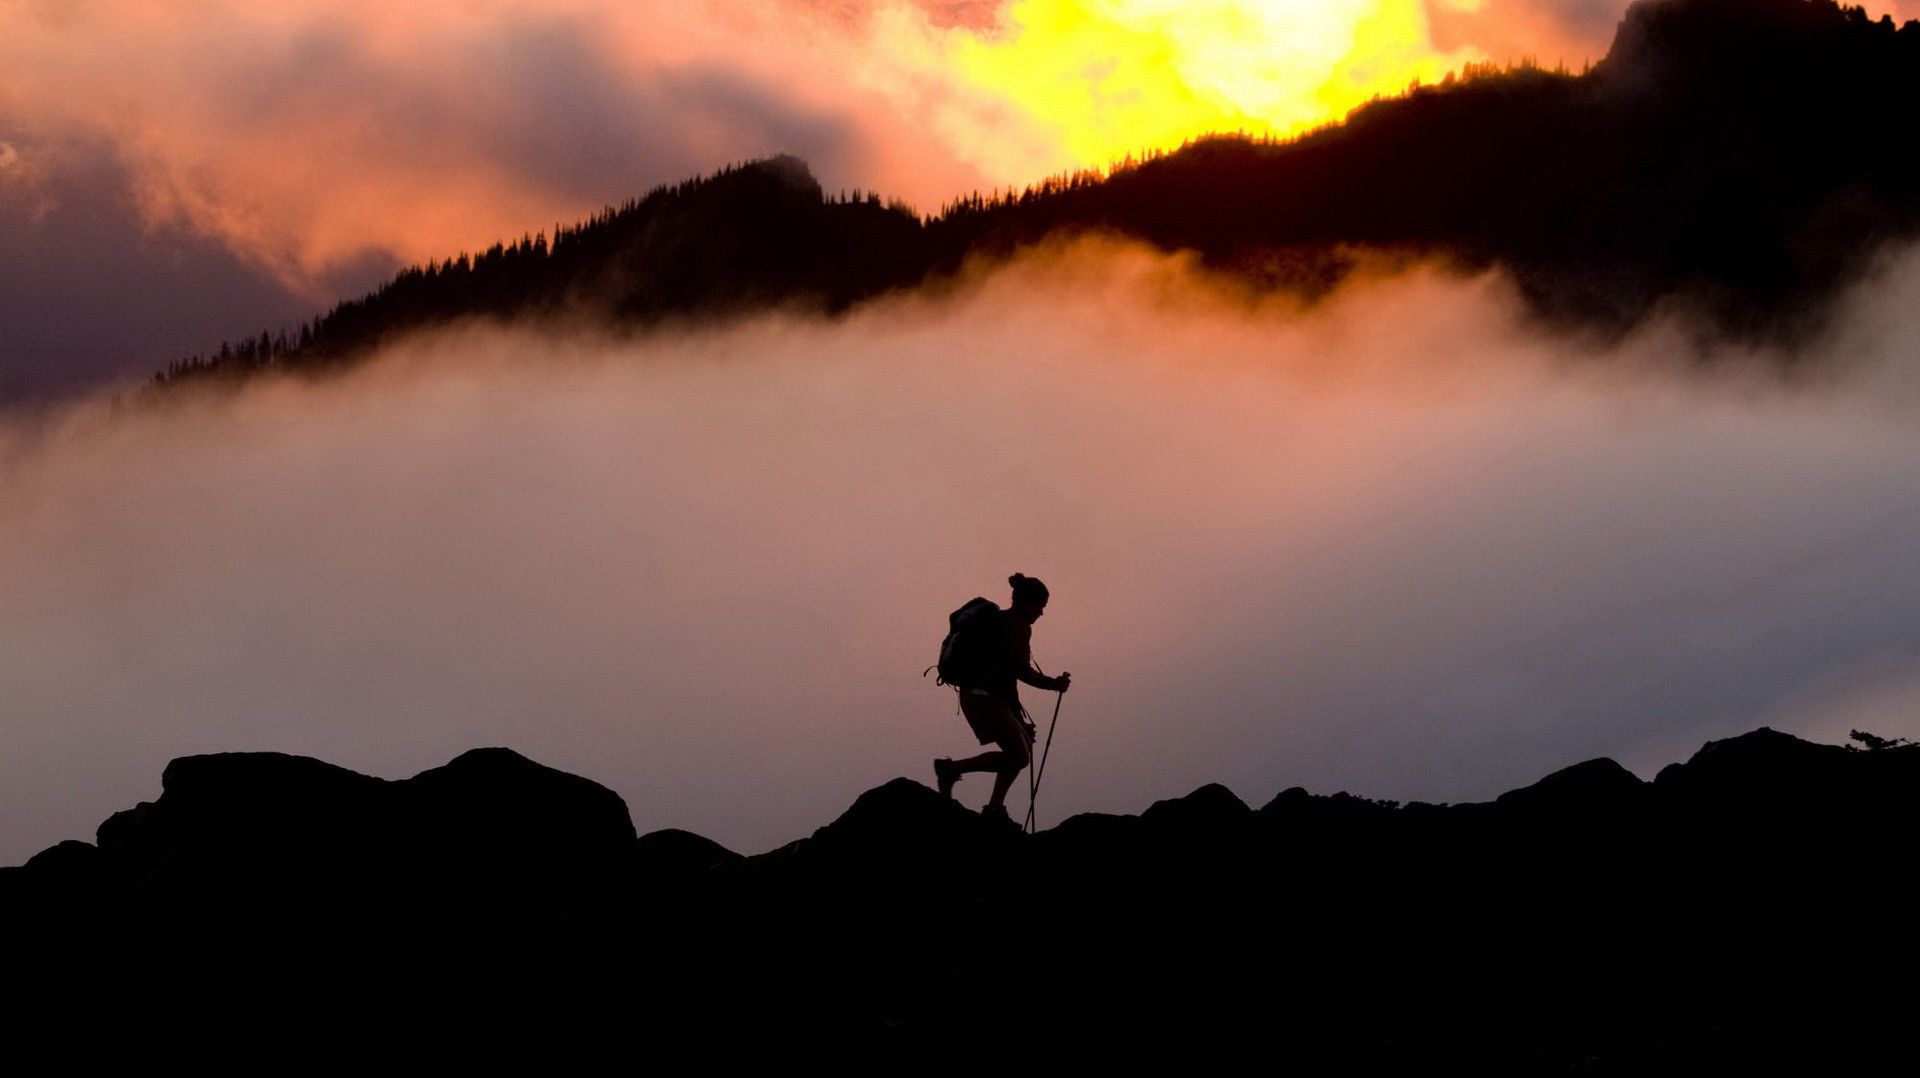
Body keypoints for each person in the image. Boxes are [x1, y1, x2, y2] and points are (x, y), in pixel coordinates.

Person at [933, 573, 1071, 825]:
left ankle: (995, 807)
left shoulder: (1002, 622)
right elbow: (1021, 671)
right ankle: (951, 770)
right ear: (1027, 603)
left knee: (1023, 744)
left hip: (981, 696)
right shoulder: (1017, 626)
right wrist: (1054, 684)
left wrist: (1018, 717)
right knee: (1018, 756)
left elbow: (1007, 675)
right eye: (1040, 607)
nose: (1041, 613)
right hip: (983, 699)